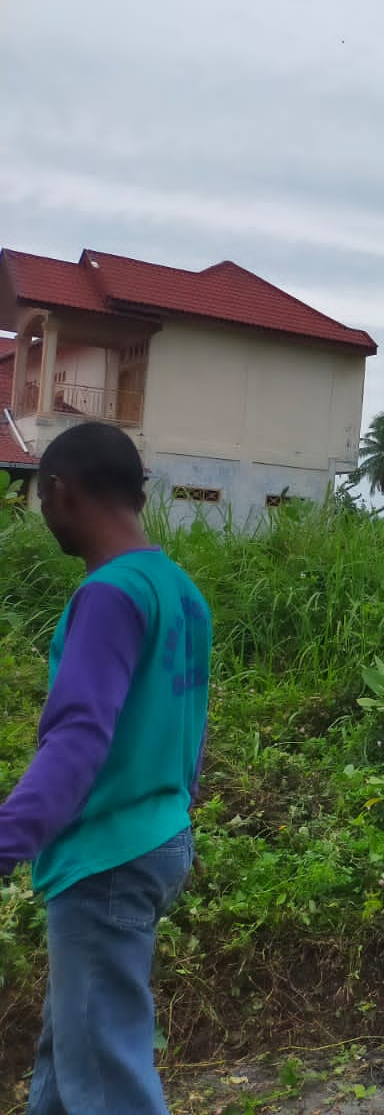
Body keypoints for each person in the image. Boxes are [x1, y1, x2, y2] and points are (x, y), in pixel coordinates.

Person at [0, 423, 212, 1114]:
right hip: (156, 837)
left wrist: (7, 841)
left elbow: (78, 739)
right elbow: (190, 728)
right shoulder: (180, 590)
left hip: (106, 858)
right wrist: (175, 811)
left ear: (61, 492)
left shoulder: (108, 594)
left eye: (38, 496)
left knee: (109, 1083)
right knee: (72, 1059)